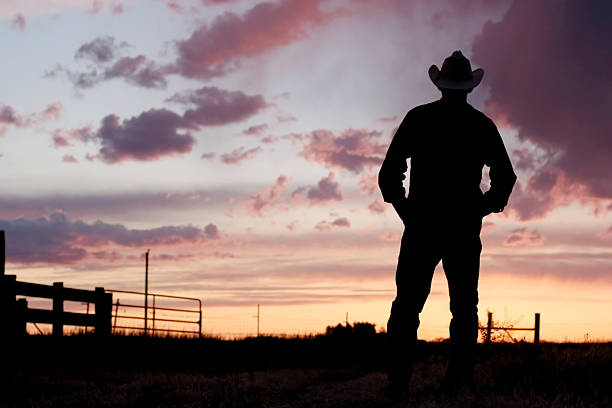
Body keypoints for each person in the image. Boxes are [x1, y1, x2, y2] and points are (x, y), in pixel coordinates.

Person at [378, 50, 517, 395]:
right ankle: (459, 381)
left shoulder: (419, 118)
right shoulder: (480, 125)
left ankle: (398, 382)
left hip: (422, 225)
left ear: (441, 85)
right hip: (462, 229)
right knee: (464, 308)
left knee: (407, 305)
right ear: (469, 87)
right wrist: (480, 210)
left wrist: (406, 212)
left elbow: (388, 173)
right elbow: (506, 178)